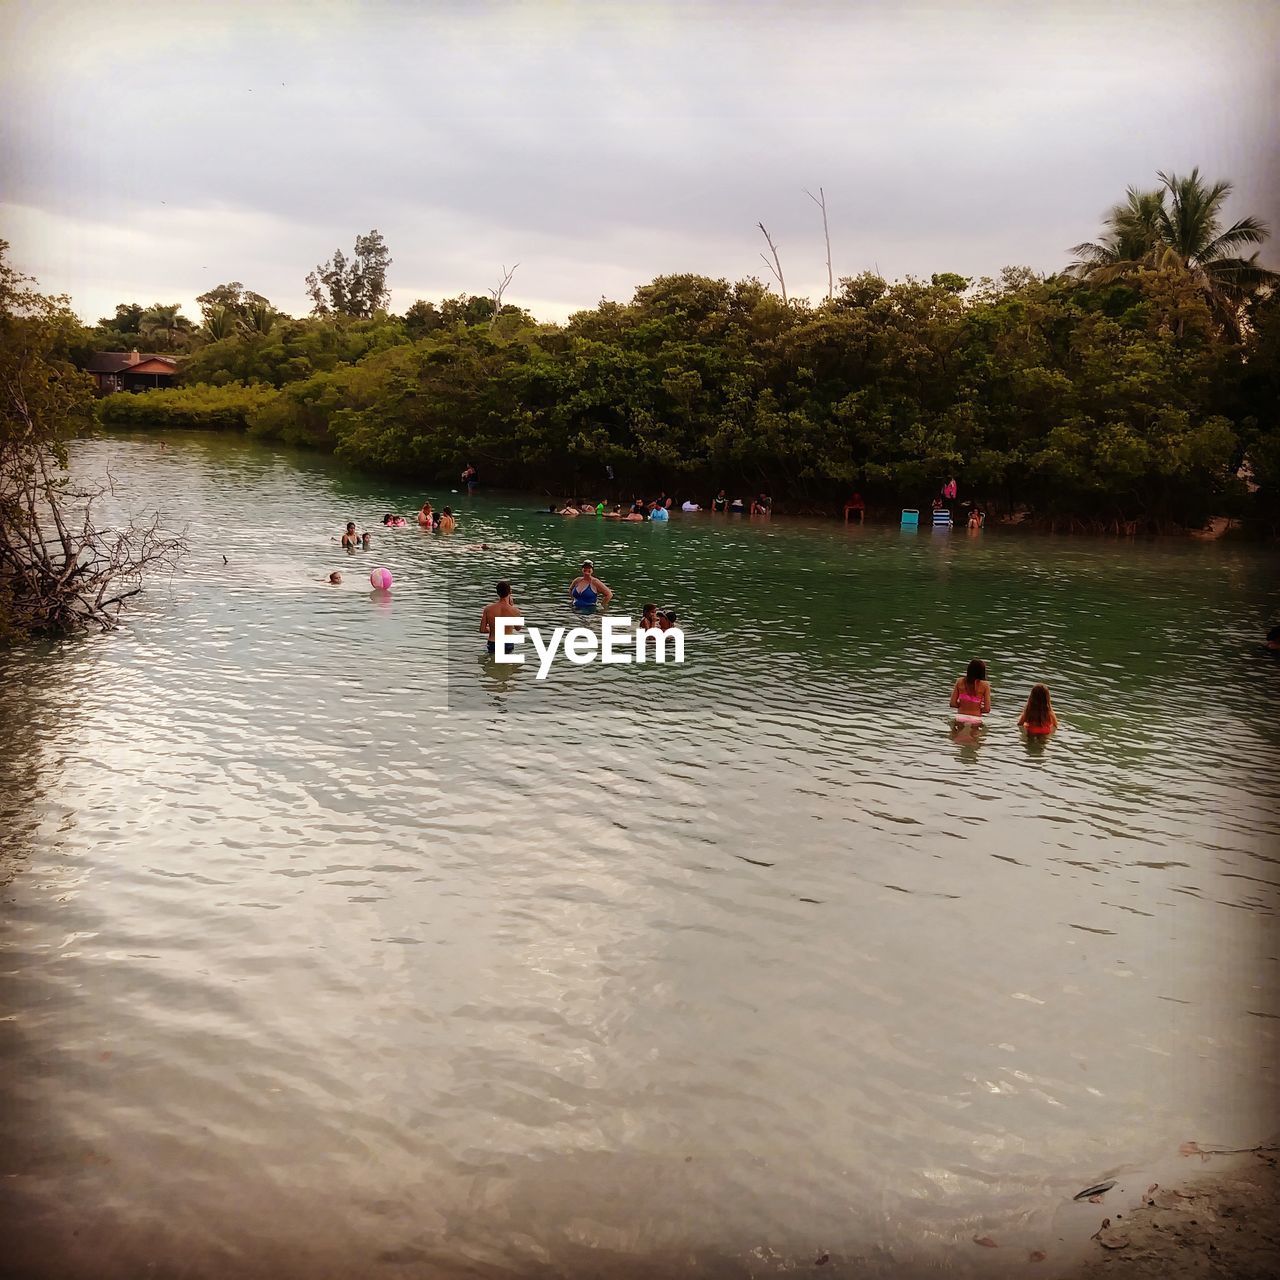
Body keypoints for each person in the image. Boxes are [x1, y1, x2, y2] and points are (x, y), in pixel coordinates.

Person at [480, 581, 522, 654]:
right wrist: (512, 607)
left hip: (493, 643)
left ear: (497, 592)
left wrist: (494, 630)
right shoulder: (515, 611)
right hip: (507, 643)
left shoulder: (488, 609)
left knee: (491, 664)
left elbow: (482, 630)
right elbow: (518, 628)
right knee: (507, 664)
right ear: (510, 592)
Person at [949, 658, 992, 727]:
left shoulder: (959, 681)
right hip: (975, 719)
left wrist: (963, 706)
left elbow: (952, 703)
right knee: (976, 737)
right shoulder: (985, 685)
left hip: (960, 718)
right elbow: (987, 709)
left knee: (954, 737)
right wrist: (976, 709)